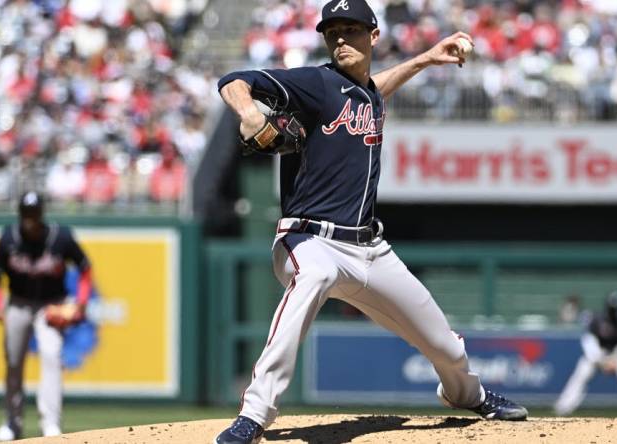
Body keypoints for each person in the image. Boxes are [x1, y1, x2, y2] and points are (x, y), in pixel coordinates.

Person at [214, 1, 528, 443]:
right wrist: (249, 111)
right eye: (333, 31)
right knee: (315, 276)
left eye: (352, 29)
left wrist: (424, 58)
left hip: (370, 250)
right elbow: (233, 81)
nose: (341, 38)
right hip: (309, 240)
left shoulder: (367, 95)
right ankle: (255, 414)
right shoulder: (315, 83)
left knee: (444, 345)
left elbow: (375, 90)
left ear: (373, 35)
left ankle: (465, 392)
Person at [0, 191, 93, 441]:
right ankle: (12, 423)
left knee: (51, 357)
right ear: (20, 215)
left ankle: (50, 425)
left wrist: (80, 302)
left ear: (41, 214)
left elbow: (85, 268)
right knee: (14, 362)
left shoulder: (61, 237)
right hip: (18, 304)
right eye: (27, 214)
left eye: (34, 214)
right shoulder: (9, 238)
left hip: (51, 306)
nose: (30, 219)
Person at [554, 291, 617, 419]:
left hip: (616, 356)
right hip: (596, 355)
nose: (613, 311)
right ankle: (563, 407)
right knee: (582, 372)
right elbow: (589, 341)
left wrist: (615, 360)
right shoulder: (597, 319)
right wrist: (601, 360)